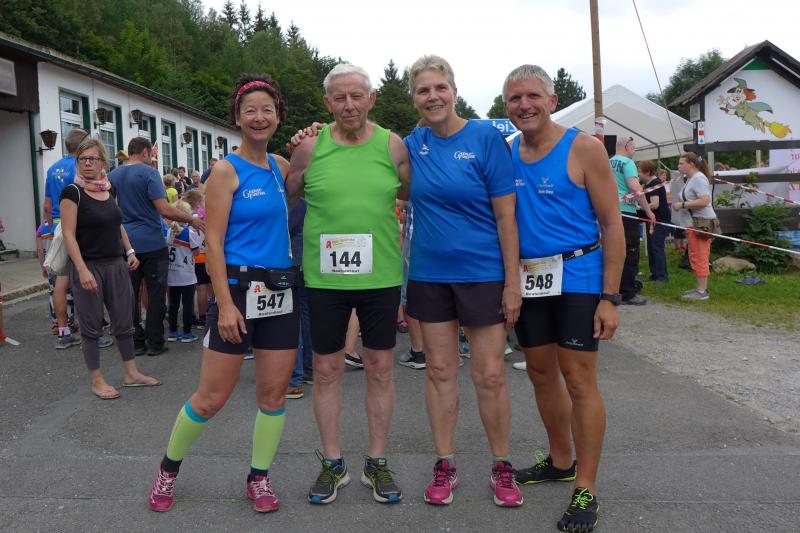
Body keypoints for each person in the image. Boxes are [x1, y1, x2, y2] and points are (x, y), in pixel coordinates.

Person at [148, 74, 298, 514]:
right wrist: (226, 304)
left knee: (273, 395)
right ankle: (168, 469)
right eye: (250, 110)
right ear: (237, 118)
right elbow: (212, 241)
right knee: (211, 397)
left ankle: (259, 477)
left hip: (280, 289)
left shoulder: (281, 166)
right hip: (237, 289)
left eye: (267, 109)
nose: (259, 117)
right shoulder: (225, 172)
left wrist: (309, 138)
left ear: (278, 117)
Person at [503, 64, 625, 533]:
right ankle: (560, 461)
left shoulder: (584, 148)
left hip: (578, 276)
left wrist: (610, 296)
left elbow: (613, 223)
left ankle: (586, 487)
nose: (524, 105)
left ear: (552, 101)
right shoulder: (508, 151)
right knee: (539, 372)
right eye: (515, 98)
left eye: (533, 96)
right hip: (530, 279)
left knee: (578, 378)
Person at [287, 63, 410, 505]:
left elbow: (416, 195)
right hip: (326, 279)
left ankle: (375, 461)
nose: (349, 105)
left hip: (380, 277)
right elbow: (287, 195)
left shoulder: (392, 145)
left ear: (371, 99)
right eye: (339, 97)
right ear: (327, 104)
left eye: (357, 96)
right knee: (326, 370)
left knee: (379, 368)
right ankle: (333, 463)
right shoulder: (309, 148)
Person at [403, 55, 522, 507]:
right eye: (423, 90)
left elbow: (506, 216)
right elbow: (361, 143)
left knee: (489, 374)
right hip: (430, 275)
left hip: (483, 274)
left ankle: (502, 465)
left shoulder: (486, 138)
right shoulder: (411, 144)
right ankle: (445, 463)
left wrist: (512, 283)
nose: (432, 96)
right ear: (414, 98)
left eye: (440, 88)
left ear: (454, 91)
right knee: (439, 370)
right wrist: (313, 133)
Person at [59, 137, 160, 399]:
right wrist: (82, 270)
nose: (87, 163)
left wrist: (129, 251)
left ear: (103, 162)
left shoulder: (109, 188)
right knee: (91, 326)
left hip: (116, 264)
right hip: (89, 266)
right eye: (83, 159)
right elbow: (68, 235)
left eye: (92, 158)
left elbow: (117, 223)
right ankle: (97, 380)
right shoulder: (72, 192)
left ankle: (131, 373)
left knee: (124, 321)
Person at [110, 137, 204, 356]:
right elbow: (164, 209)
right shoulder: (149, 173)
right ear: (144, 152)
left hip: (124, 242)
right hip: (152, 242)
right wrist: (191, 219)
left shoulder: (113, 175)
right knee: (156, 294)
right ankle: (155, 342)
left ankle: (136, 342)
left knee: (130, 295)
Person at [44, 128, 88, 349]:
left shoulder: (53, 168)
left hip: (57, 227)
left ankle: (63, 331)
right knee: (86, 277)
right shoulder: (81, 166)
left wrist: (48, 229)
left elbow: (47, 205)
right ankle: (93, 331)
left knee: (60, 282)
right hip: (77, 226)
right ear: (82, 145)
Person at [609, 137, 655, 305]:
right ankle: (628, 292)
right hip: (626, 212)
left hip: (609, 212)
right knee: (630, 251)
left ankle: (611, 289)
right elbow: (635, 188)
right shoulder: (627, 163)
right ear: (627, 147)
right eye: (634, 148)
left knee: (611, 252)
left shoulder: (607, 162)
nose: (634, 152)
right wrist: (648, 211)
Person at [674, 152, 718, 300]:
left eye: (681, 163)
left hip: (700, 224)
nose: (679, 166)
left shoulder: (698, 178)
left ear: (691, 164)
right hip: (693, 224)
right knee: (696, 255)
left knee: (700, 256)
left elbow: (705, 200)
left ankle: (702, 291)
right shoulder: (691, 179)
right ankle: (700, 288)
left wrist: (682, 205)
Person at [286, 197, 313, 399]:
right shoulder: (309, 198)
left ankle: (294, 379)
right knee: (306, 315)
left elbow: (286, 228)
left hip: (291, 261)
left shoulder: (293, 200)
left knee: (290, 317)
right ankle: (308, 368)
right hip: (309, 260)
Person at [165, 200, 202, 343]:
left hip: (172, 274)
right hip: (187, 275)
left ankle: (173, 331)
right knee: (187, 304)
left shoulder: (170, 231)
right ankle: (187, 332)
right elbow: (196, 252)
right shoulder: (189, 233)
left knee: (173, 304)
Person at [637, 161, 670, 282]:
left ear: (647, 172)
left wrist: (640, 207)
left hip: (660, 220)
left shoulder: (655, 184)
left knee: (657, 247)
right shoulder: (647, 185)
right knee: (651, 247)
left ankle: (662, 276)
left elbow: (655, 204)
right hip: (651, 220)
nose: (637, 174)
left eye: (639, 172)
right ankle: (654, 273)